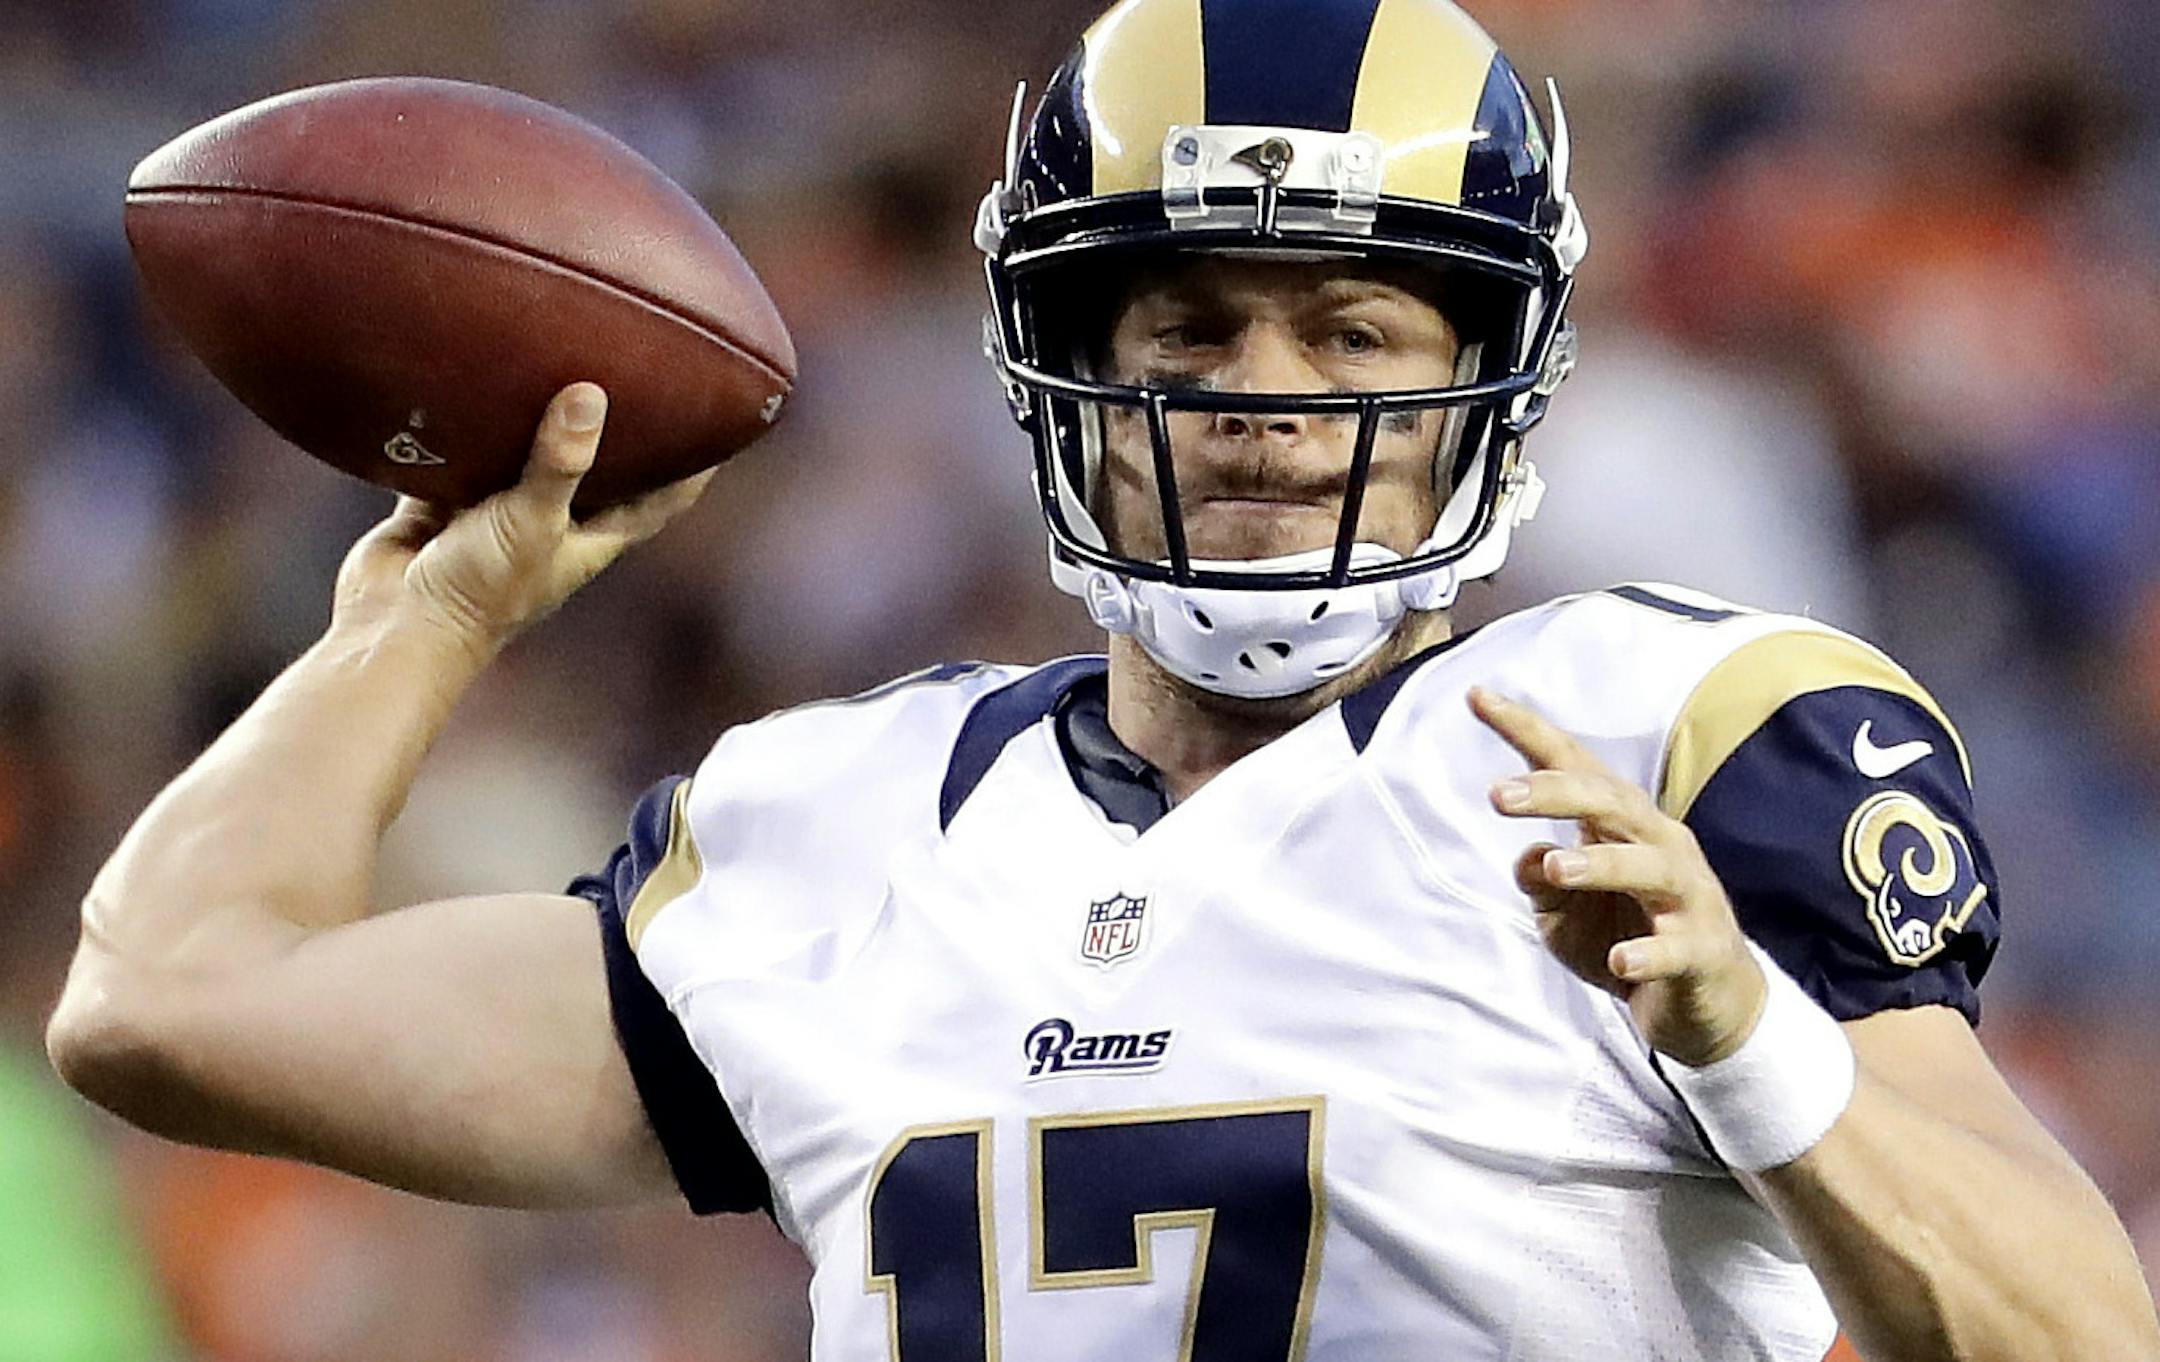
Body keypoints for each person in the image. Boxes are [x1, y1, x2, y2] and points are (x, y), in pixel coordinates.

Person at [46, 1, 2160, 1358]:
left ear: (1484, 396)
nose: (1261, 399)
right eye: (1193, 329)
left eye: (1351, 334)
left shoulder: (1655, 752)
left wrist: (1748, 1037)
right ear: (1069, 372)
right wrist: (425, 613)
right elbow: (167, 1001)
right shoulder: (841, 839)